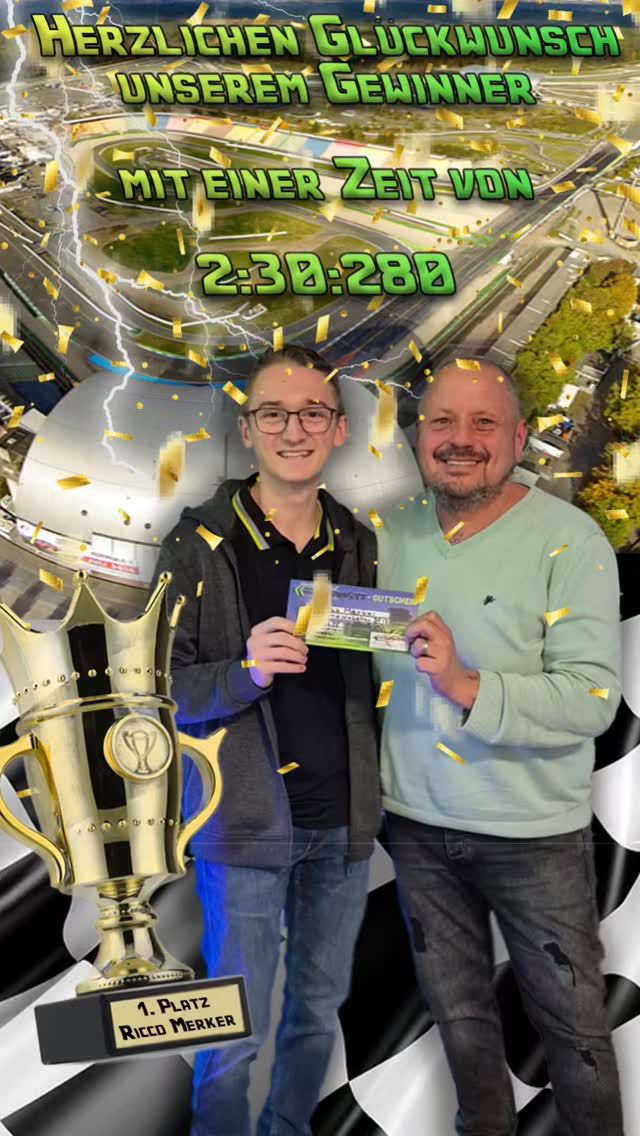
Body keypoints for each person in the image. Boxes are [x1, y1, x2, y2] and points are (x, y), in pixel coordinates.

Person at [376, 357, 624, 1136]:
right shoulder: (388, 530)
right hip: (416, 827)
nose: (461, 439)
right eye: (443, 421)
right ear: (419, 436)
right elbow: (361, 648)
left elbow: (593, 698)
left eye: (483, 423)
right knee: (459, 1023)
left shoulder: (571, 540)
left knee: (574, 1034)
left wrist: (466, 684)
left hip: (533, 837)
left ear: (518, 439)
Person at [151, 345, 380, 1136]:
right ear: (247, 430)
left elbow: (365, 673)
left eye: (311, 412)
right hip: (244, 823)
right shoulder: (196, 543)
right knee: (234, 1029)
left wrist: (418, 652)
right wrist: (244, 673)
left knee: (316, 1013)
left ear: (338, 429)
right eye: (273, 413)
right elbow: (158, 689)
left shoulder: (357, 539)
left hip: (342, 826)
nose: (293, 429)